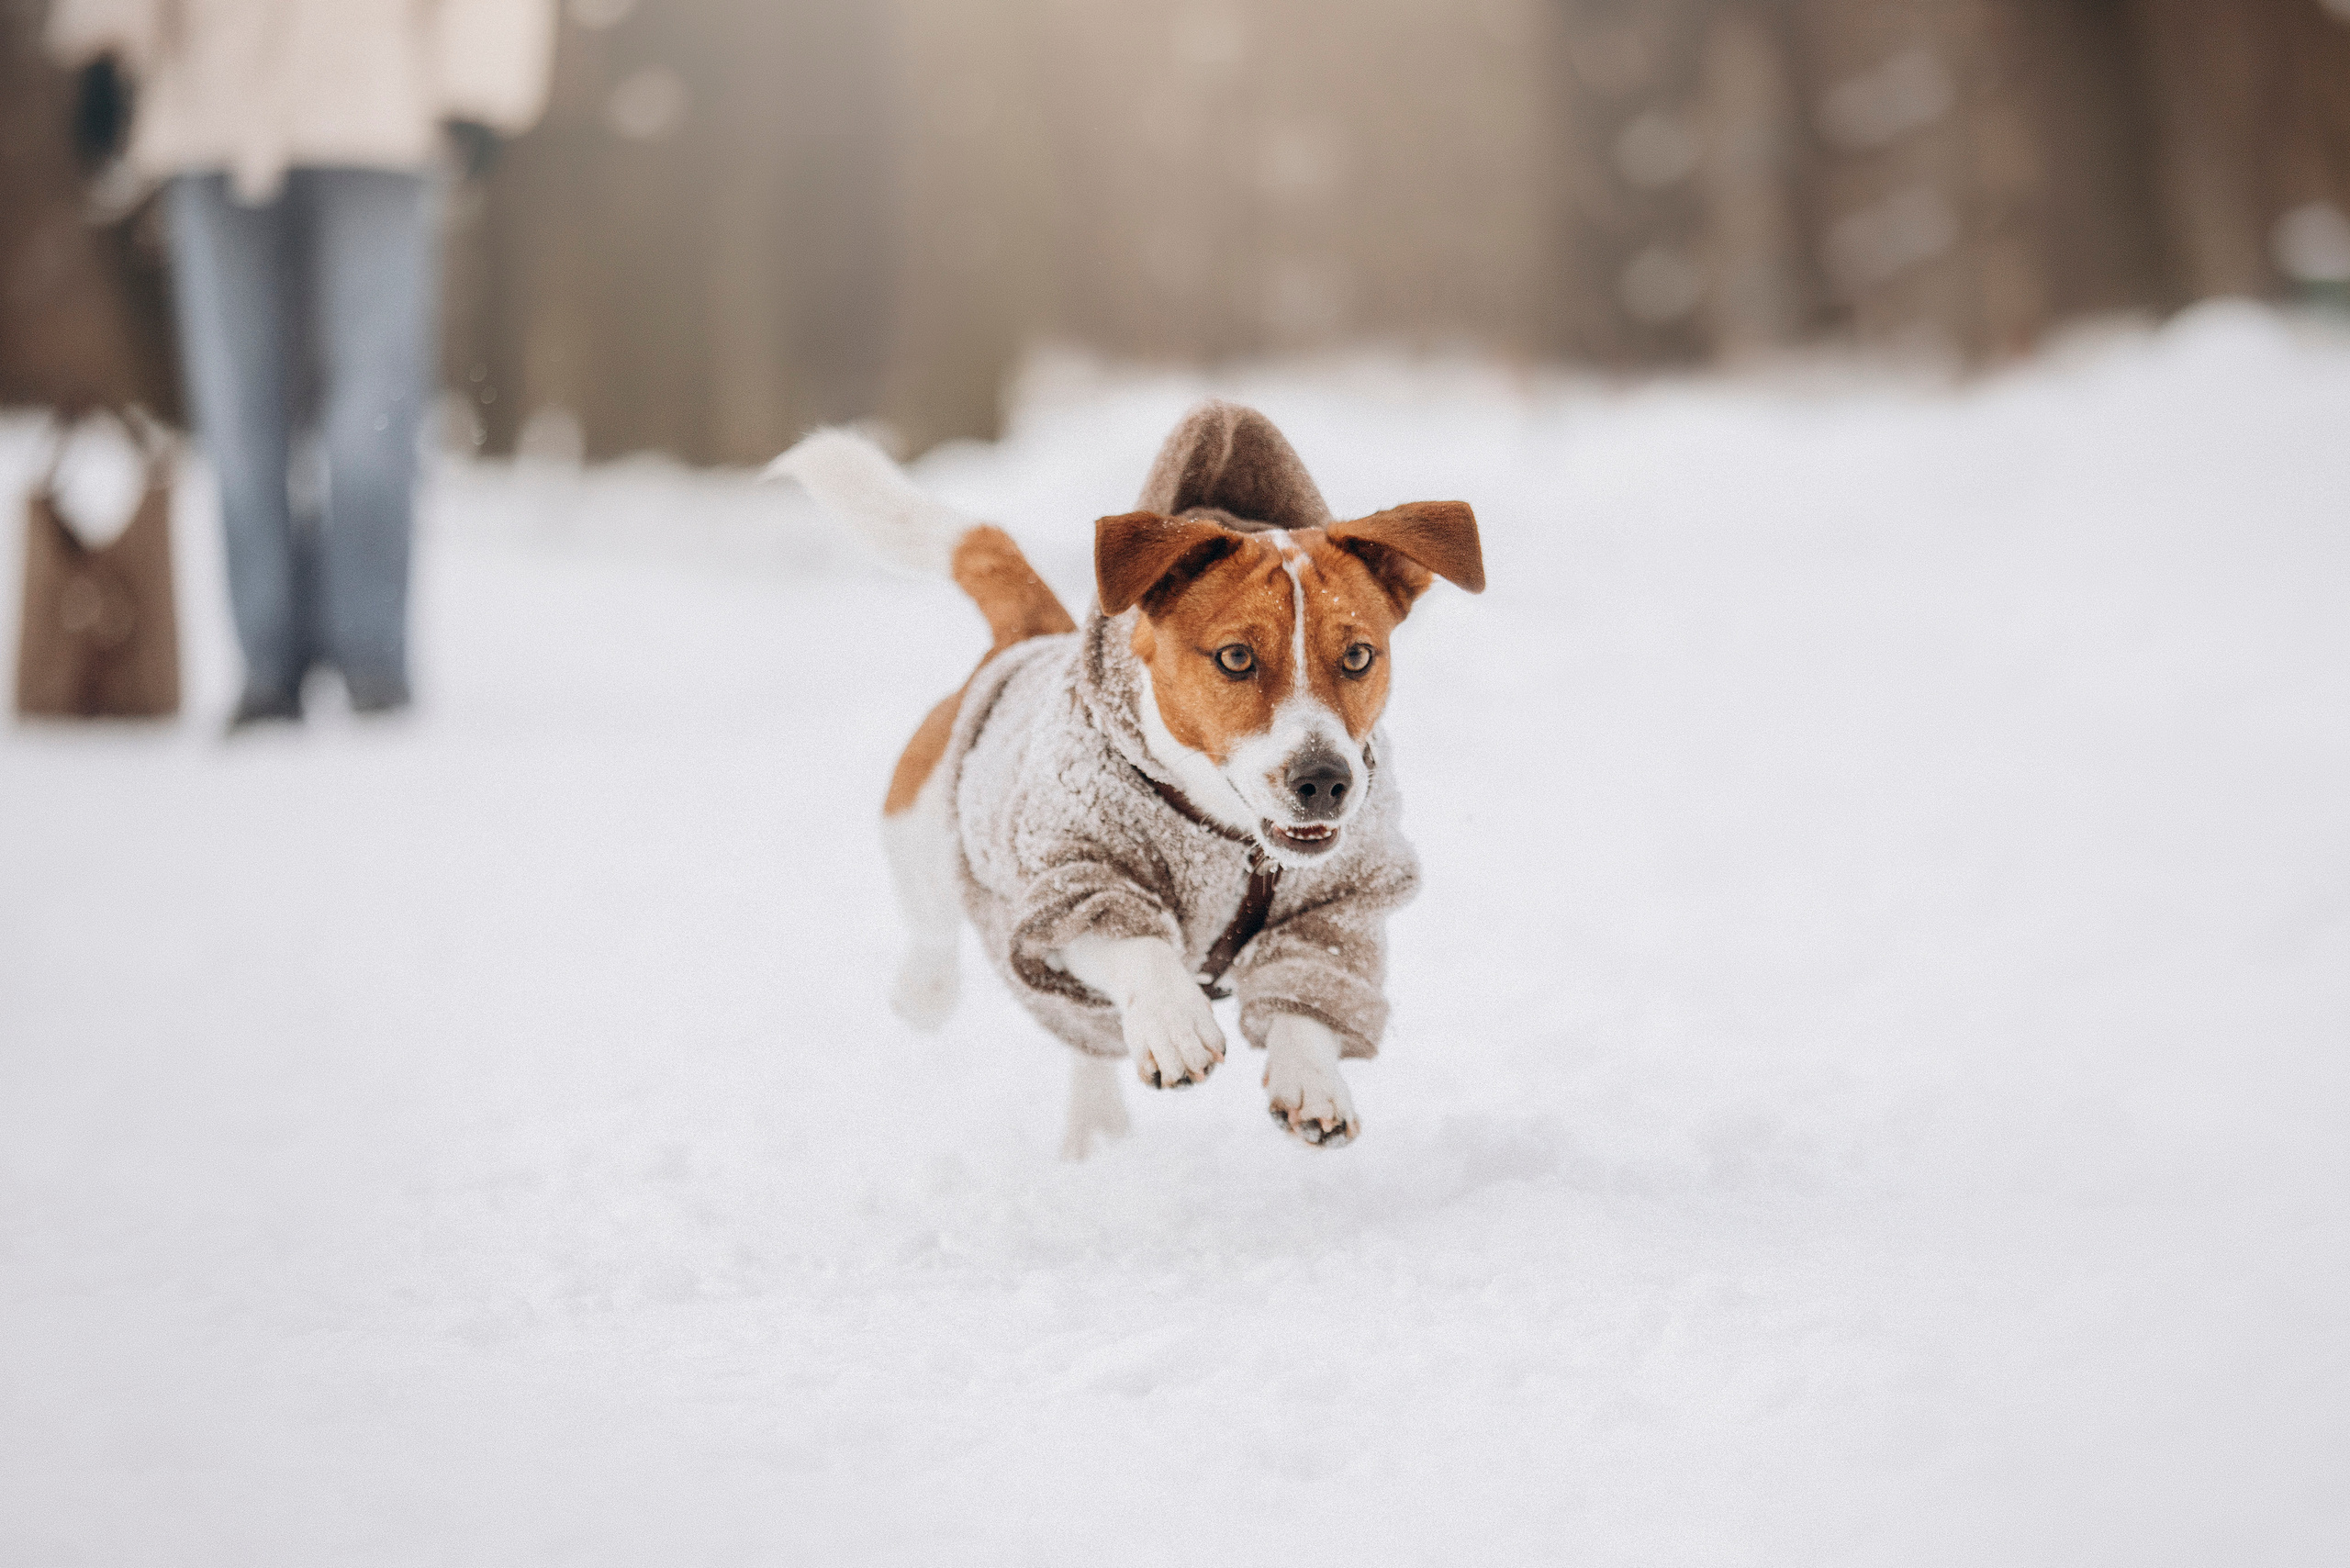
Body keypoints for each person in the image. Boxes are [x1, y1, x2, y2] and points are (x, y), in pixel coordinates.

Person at [46, 1, 556, 727]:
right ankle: (266, 662)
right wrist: (107, 42)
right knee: (235, 407)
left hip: (381, 97)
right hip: (213, 96)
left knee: (375, 402)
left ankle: (371, 654)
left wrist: (476, 81)